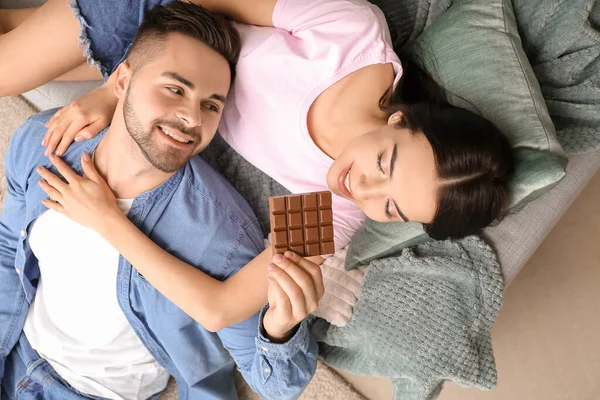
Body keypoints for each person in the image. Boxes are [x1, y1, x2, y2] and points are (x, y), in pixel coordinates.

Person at [0, 0, 514, 330]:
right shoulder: (352, 37)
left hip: (163, 84)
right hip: (165, 18)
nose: (362, 186)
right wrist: (117, 90)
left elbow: (218, 308)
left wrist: (107, 220)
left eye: (392, 206)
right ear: (401, 120)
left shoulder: (334, 212)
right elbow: (205, 1)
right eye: (385, 162)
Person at [0, 3, 322, 399]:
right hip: (17, 350)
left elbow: (275, 384)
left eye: (211, 105)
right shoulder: (43, 142)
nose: (191, 117)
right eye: (175, 89)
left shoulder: (222, 237)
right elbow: (8, 245)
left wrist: (280, 329)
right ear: (121, 82)